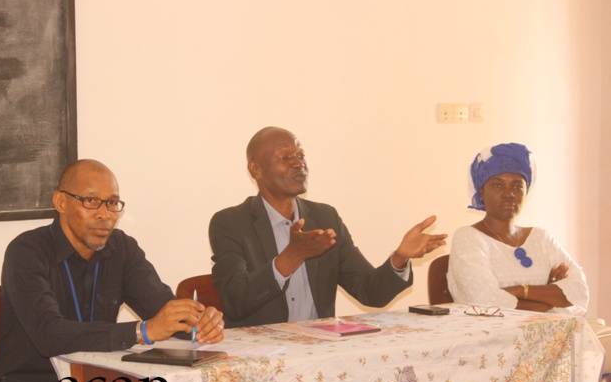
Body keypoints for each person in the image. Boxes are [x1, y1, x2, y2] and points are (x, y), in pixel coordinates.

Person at [0, 160, 225, 382]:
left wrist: (197, 322)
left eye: (112, 203)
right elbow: (48, 335)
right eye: (91, 201)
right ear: (61, 202)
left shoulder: (122, 249)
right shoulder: (27, 251)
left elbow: (163, 312)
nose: (104, 214)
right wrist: (142, 331)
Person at [208, 126, 447, 328]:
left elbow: (369, 292)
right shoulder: (230, 223)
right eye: (285, 158)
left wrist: (399, 258)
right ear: (255, 169)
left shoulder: (325, 217)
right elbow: (235, 302)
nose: (298, 164)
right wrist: (290, 258)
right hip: (262, 356)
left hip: (319, 350)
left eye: (301, 155)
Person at [447, 143, 589, 315]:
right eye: (497, 185)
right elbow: (484, 301)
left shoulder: (541, 238)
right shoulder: (468, 238)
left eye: (517, 186)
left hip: (551, 334)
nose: (509, 193)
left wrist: (520, 290)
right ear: (481, 192)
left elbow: (579, 292)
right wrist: (549, 296)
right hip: (491, 337)